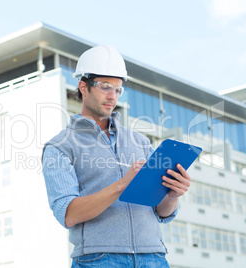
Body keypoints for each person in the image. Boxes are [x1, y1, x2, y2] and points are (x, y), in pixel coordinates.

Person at [42, 45, 192, 267]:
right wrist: (121, 185)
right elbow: (68, 214)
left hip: (153, 258)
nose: (113, 96)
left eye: (118, 90)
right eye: (105, 87)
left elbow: (161, 211)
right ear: (84, 86)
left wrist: (172, 195)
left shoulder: (140, 142)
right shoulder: (60, 146)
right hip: (99, 259)